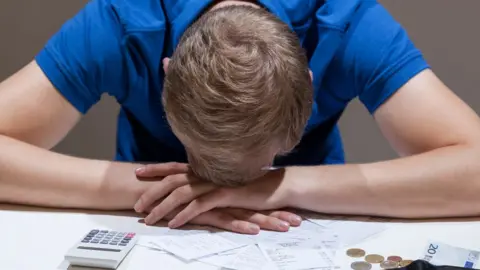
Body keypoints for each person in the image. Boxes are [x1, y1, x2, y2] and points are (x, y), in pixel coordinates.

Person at [1, 0, 480, 235]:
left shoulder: (348, 20)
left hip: (304, 226)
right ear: (165, 75)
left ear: (307, 85)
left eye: (264, 160)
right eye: (206, 163)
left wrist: (284, 185)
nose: (224, 188)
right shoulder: (124, 21)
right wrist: (150, 190)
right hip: (151, 224)